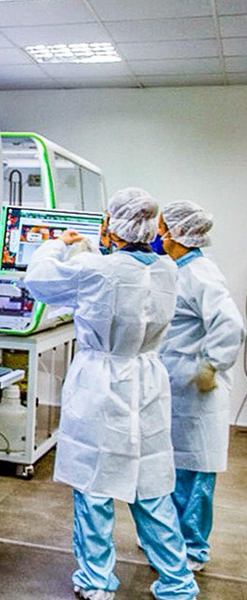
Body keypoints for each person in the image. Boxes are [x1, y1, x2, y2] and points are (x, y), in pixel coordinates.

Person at [24, 188, 198, 600]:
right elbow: (127, 278)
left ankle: (97, 581)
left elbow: (39, 280)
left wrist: (58, 244)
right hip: (148, 381)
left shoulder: (96, 269)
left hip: (100, 384)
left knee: (94, 487)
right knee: (151, 488)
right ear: (151, 227)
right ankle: (177, 581)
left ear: (110, 225)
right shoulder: (167, 269)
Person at [157, 201, 245, 573]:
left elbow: (230, 324)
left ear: (178, 233)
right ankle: (170, 541)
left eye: (162, 228)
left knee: (194, 474)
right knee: (175, 469)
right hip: (178, 385)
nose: (157, 234)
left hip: (198, 390)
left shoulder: (200, 274)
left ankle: (192, 548)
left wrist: (212, 365)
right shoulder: (176, 269)